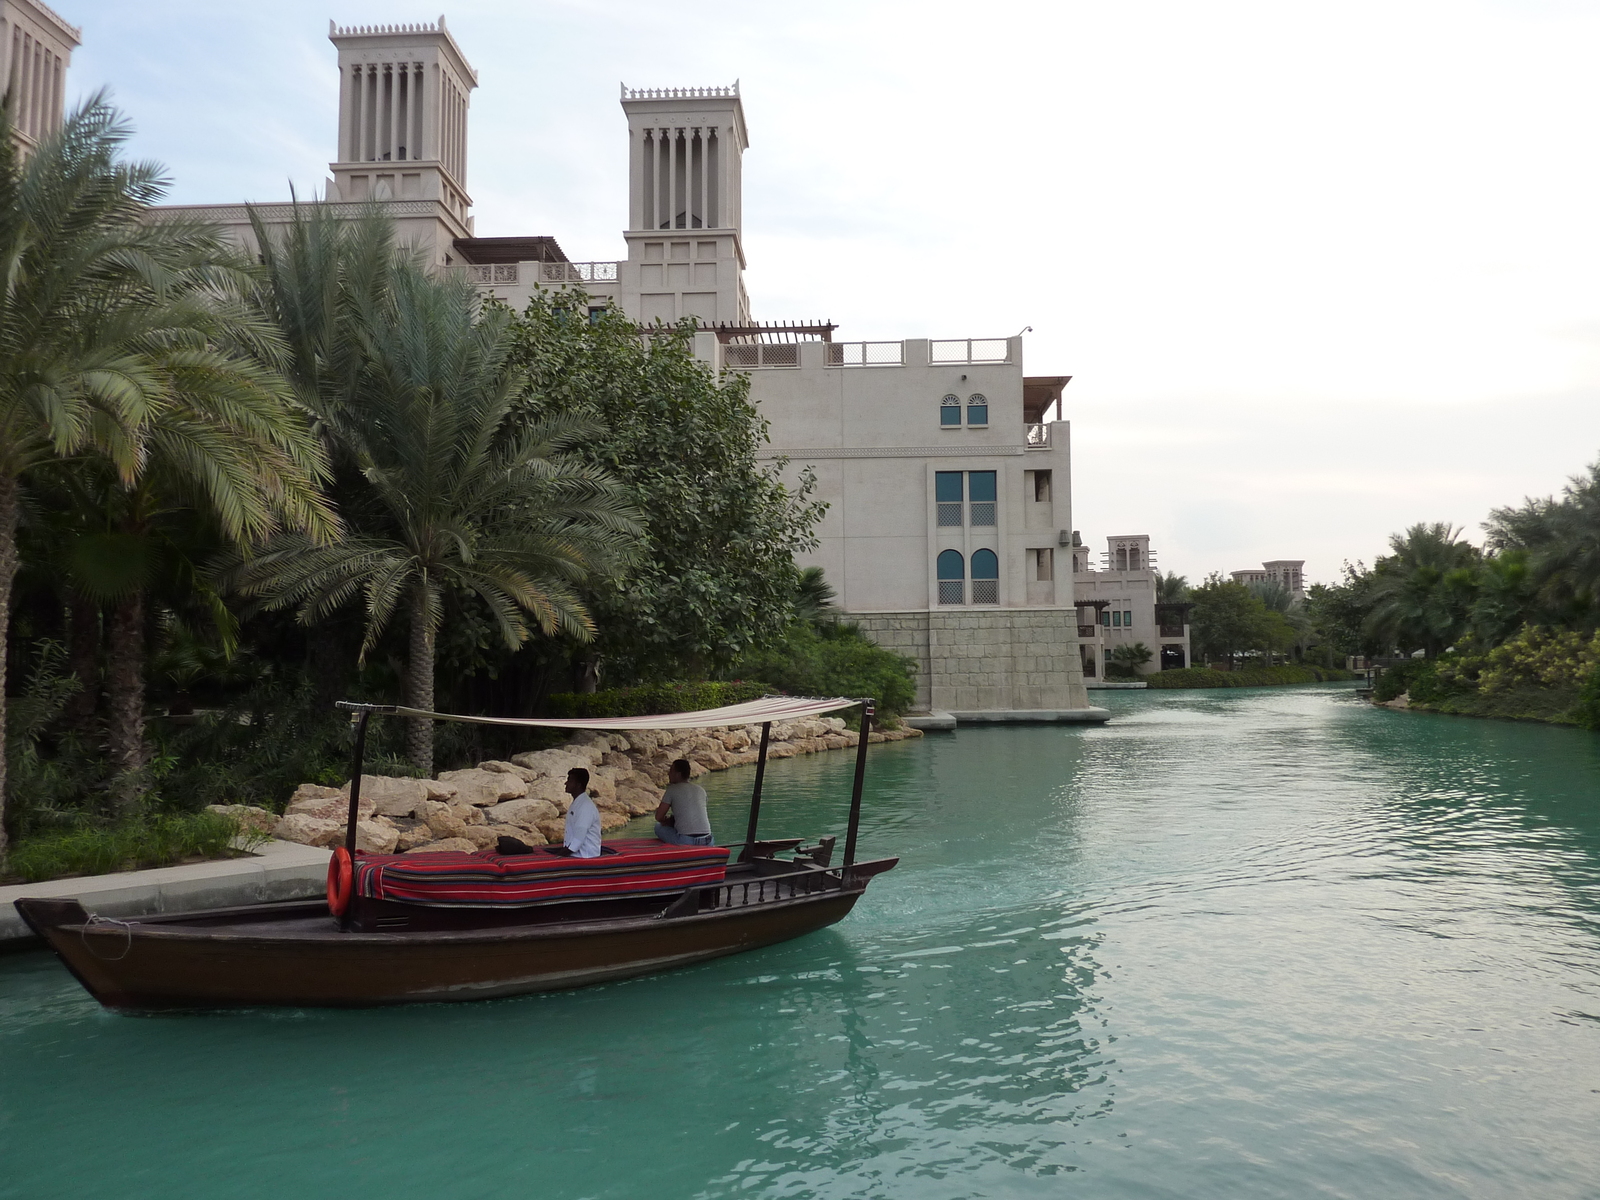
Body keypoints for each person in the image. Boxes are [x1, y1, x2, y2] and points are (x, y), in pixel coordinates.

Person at [655, 759, 714, 846]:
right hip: (707, 840)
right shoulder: (701, 790)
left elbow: (659, 817)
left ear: (678, 774)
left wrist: (665, 821)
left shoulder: (672, 790)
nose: (668, 774)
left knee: (658, 827)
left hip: (687, 841)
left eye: (671, 771)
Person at [562, 767, 601, 858]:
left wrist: (558, 856)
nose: (566, 783)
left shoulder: (585, 807)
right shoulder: (578, 802)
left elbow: (578, 839)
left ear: (578, 785)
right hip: (576, 854)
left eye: (569, 780)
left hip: (585, 856)